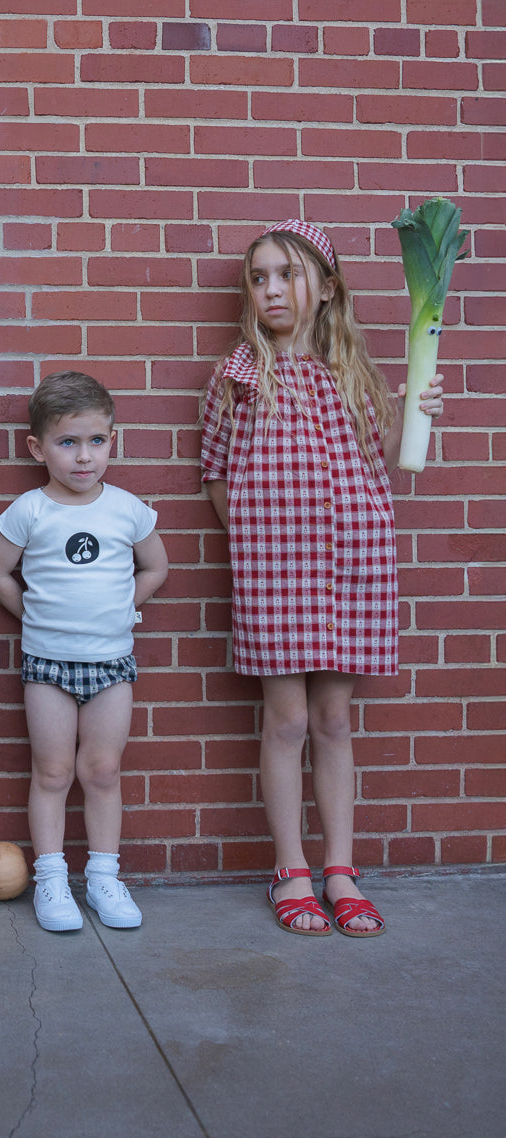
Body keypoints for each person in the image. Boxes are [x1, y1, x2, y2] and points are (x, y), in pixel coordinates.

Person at [200, 219, 446, 938]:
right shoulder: (241, 374)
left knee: (334, 720)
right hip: (275, 568)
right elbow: (216, 474)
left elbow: (388, 459)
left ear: (328, 288)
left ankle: (340, 870)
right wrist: (255, 536)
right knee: (289, 720)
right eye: (259, 277)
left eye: (289, 274)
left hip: (353, 563)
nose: (271, 288)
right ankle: (292, 869)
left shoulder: (354, 372)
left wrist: (417, 410)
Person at [0, 372, 168, 932]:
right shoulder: (30, 511)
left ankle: (105, 878)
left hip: (112, 662)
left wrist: (124, 606)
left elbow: (157, 566)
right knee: (54, 770)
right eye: (67, 443)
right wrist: (35, 616)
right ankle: (52, 878)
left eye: (96, 441)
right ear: (38, 448)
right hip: (47, 665)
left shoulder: (127, 510)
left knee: (103, 769)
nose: (83, 458)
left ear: (114, 440)